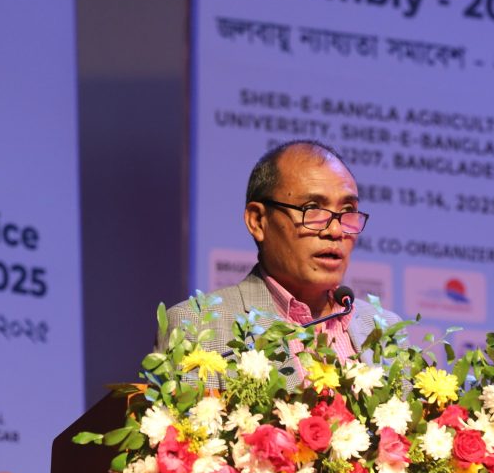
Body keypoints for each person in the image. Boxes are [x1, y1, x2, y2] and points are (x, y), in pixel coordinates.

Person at [163, 140, 400, 389]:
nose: (335, 230)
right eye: (312, 208)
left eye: (348, 209)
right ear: (258, 221)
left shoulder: (386, 330)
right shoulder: (196, 327)